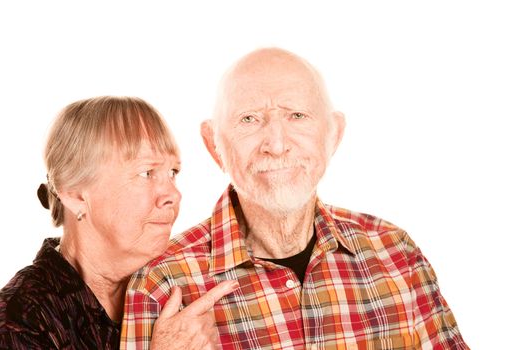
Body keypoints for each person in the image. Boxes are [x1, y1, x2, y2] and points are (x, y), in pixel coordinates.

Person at [121, 49, 468, 349]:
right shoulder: (162, 284)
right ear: (215, 146)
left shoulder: (395, 253)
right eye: (249, 119)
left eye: (297, 116)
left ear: (334, 135)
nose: (276, 143)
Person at [0, 96, 238, 349]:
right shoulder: (17, 324)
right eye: (146, 173)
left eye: (173, 173)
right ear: (75, 194)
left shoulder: (171, 287)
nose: (173, 195)